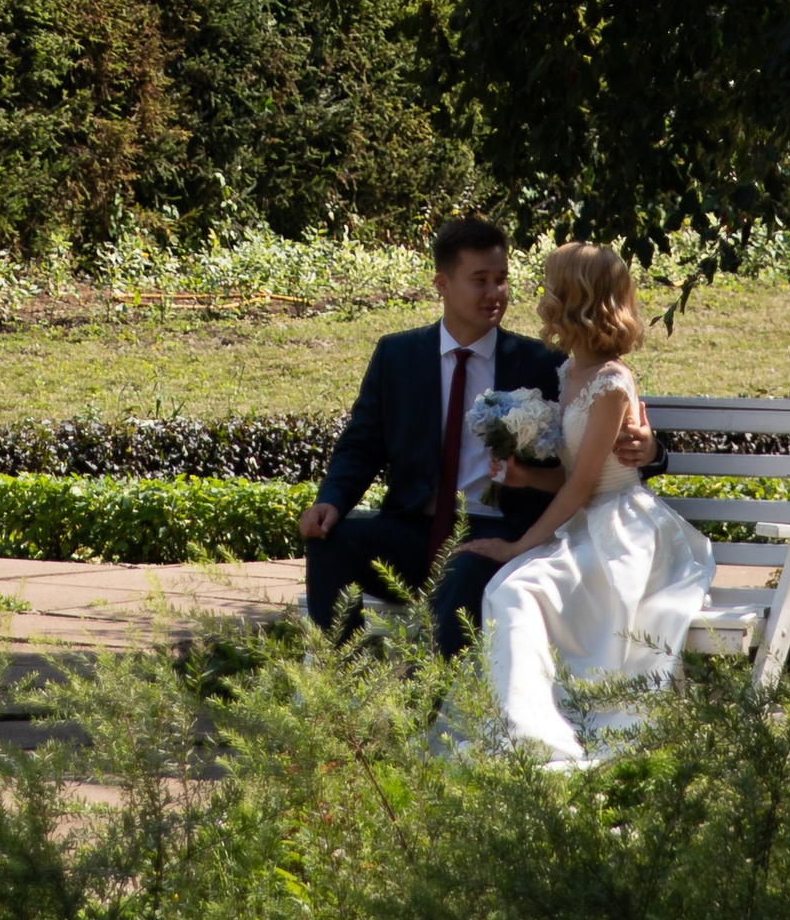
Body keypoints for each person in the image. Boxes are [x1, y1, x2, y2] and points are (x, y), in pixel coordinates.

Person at [299, 214, 654, 659]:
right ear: (442, 284)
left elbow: (608, 435)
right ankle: (340, 686)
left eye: (502, 280)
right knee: (332, 541)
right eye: (480, 280)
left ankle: (438, 710)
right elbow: (362, 442)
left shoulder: (544, 362)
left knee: (466, 571)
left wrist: (651, 449)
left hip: (500, 529)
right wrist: (331, 500)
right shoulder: (398, 355)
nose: (495, 294)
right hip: (415, 529)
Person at [460, 239, 716, 766]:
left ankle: (545, 737)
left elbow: (584, 488)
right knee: (511, 593)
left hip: (620, 533)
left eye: (550, 284)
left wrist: (518, 547)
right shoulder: (569, 372)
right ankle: (525, 728)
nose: (540, 294)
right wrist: (523, 474)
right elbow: (572, 479)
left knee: (516, 584)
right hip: (585, 522)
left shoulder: (612, 382)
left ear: (573, 298)